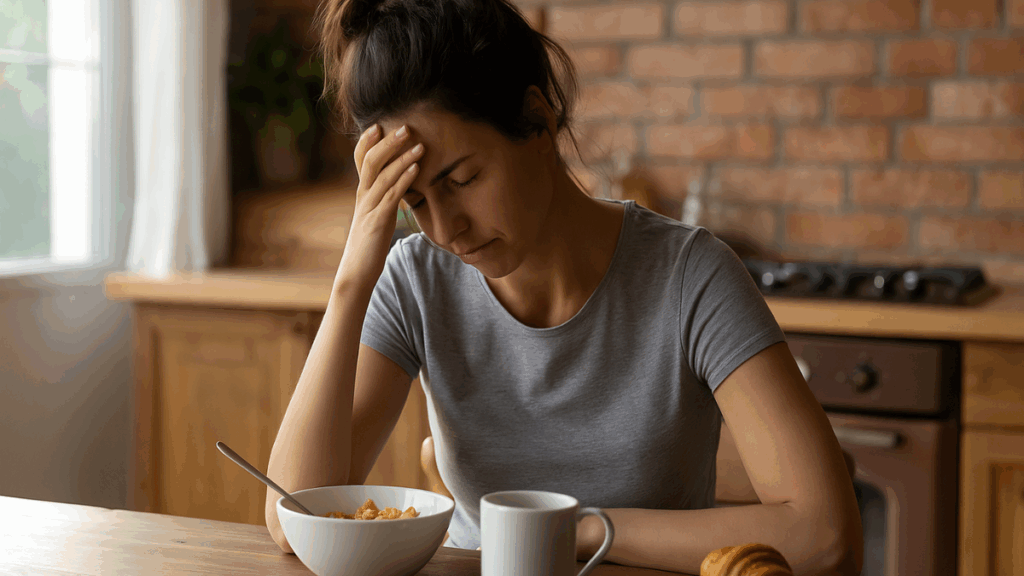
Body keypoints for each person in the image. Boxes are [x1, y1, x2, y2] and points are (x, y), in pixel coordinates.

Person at [264, 0, 863, 574]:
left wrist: (577, 529)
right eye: (414, 201)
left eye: (463, 179)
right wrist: (352, 279)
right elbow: (291, 521)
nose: (445, 230)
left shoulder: (690, 275)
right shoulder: (416, 280)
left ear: (538, 121)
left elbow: (826, 536)